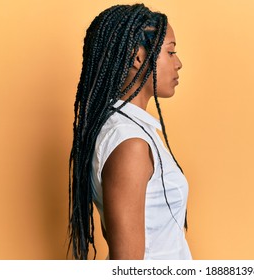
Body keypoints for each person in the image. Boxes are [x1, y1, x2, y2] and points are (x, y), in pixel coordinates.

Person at [68, 4, 191, 260]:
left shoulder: (133, 130)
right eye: (170, 52)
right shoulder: (129, 142)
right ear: (138, 57)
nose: (178, 63)